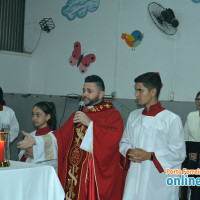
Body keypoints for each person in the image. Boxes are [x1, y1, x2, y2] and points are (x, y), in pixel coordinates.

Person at [17, 75, 126, 200]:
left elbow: (113, 142)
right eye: (84, 90)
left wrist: (90, 124)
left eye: (89, 91)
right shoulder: (78, 114)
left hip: (91, 178)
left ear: (101, 94)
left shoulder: (112, 114)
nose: (84, 94)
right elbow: (61, 137)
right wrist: (37, 141)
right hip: (73, 173)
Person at [119, 72, 186, 200]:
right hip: (135, 176)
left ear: (153, 92)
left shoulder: (171, 119)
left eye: (140, 91)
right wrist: (129, 151)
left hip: (158, 180)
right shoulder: (134, 116)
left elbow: (178, 153)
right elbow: (124, 142)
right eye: (136, 91)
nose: (136, 95)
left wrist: (150, 156)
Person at [18, 101, 57, 170]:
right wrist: (25, 155)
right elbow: (21, 158)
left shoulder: (53, 137)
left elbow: (55, 162)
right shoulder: (30, 135)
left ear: (47, 117)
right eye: (33, 115)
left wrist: (36, 154)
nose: (34, 118)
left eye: (38, 115)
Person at [184, 91, 200, 200]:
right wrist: (190, 153)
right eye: (197, 99)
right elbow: (185, 137)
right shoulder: (191, 116)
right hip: (193, 157)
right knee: (193, 186)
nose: (199, 102)